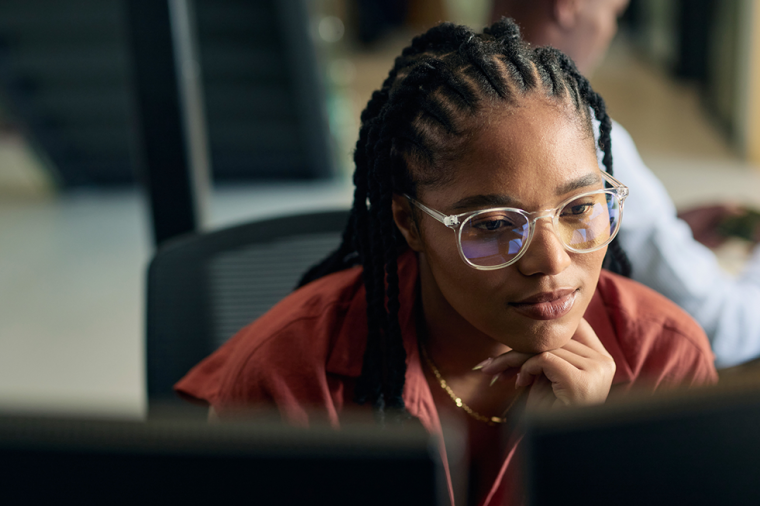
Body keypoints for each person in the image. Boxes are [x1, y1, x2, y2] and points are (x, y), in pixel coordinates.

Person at [176, 19, 717, 506]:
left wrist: (587, 455)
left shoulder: (664, 362)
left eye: (579, 209)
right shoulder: (289, 380)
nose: (552, 262)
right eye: (493, 224)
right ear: (410, 224)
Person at [490, 0, 760, 368]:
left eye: (580, 210)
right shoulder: (581, 139)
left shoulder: (441, 107)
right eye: (613, 14)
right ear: (569, 6)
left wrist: (668, 231)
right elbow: (722, 328)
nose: (610, 31)